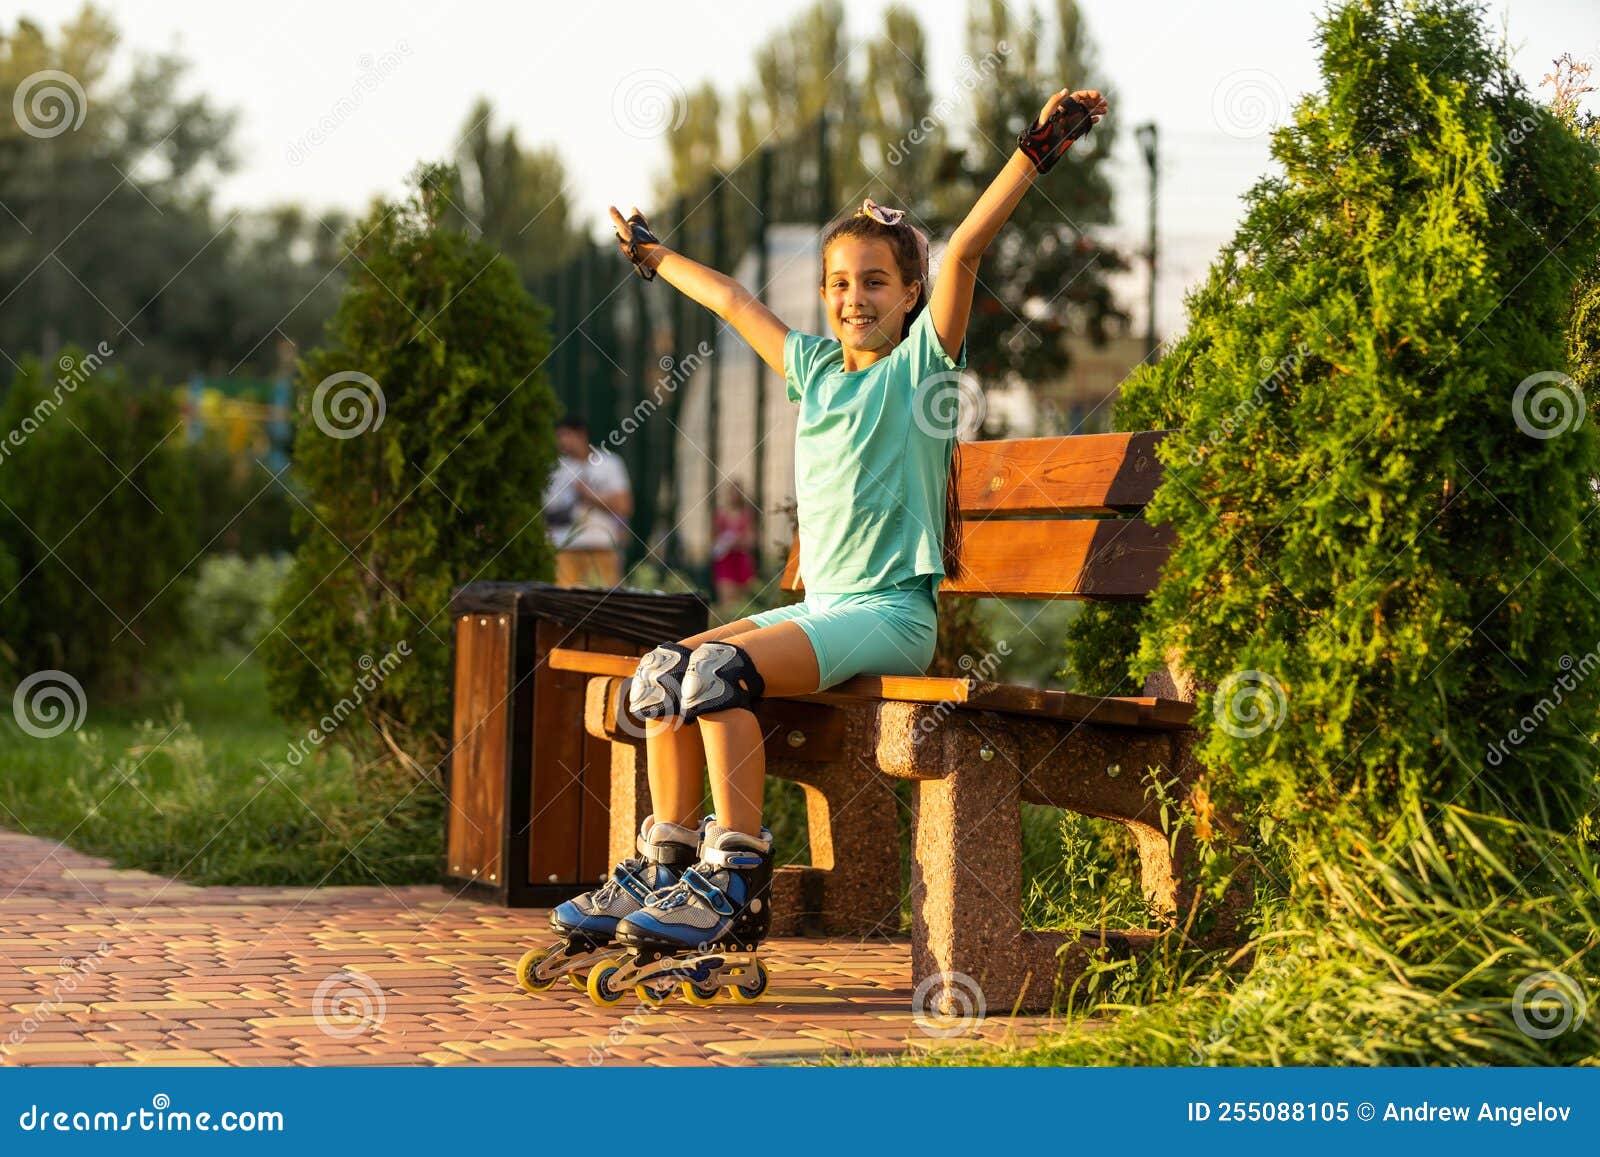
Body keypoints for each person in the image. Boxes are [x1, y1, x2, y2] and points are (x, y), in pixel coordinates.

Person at [541, 88, 1107, 1004]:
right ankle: (665, 863)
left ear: (911, 296)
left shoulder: (923, 365)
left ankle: (735, 875)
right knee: (659, 674)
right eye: (841, 284)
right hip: (819, 610)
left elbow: (964, 247)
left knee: (718, 671)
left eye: (876, 282)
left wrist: (1037, 151)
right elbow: (729, 298)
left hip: (889, 614)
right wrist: (650, 255)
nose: (854, 299)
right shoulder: (811, 368)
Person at [543, 415, 632, 587]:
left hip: (601, 545)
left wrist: (590, 495)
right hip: (564, 547)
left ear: (581, 435)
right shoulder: (555, 469)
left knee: (603, 601)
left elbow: (624, 505)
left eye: (566, 435)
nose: (562, 442)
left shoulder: (609, 463)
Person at [711, 483, 758, 605]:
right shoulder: (721, 514)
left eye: (737, 492)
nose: (734, 496)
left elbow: (751, 540)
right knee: (726, 601)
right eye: (732, 492)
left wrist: (738, 541)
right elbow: (714, 540)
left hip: (741, 561)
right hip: (725, 562)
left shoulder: (746, 515)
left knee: (742, 604)